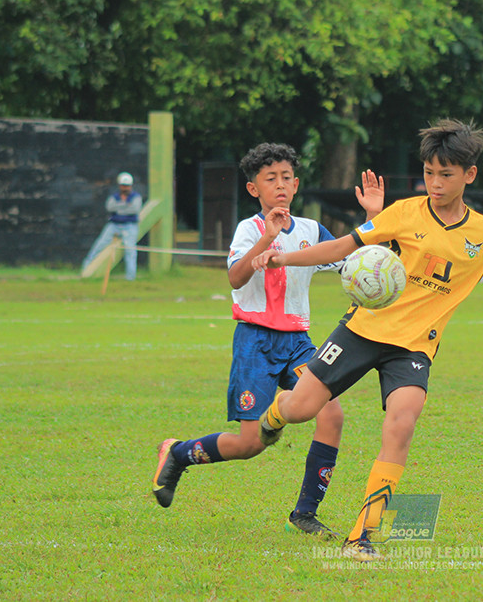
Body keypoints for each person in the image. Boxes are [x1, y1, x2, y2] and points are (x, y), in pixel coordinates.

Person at [251, 119, 483, 562]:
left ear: (469, 175)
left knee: (402, 422)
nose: (435, 183)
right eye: (429, 173)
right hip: (362, 330)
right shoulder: (404, 212)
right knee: (301, 409)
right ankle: (275, 414)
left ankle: (362, 535)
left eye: (446, 174)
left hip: (414, 347)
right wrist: (282, 258)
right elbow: (343, 246)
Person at [150, 143, 384, 539]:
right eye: (270, 178)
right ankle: (179, 453)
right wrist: (265, 242)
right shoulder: (249, 229)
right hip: (255, 342)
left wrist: (373, 218)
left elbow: (354, 260)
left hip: (298, 343)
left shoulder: (311, 231)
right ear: (253, 188)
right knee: (250, 444)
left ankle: (304, 514)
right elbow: (235, 277)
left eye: (287, 177)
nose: (280, 185)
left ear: (296, 185)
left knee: (331, 413)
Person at [81, 172, 143, 280]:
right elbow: (110, 208)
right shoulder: (114, 197)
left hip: (130, 226)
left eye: (127, 186)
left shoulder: (136, 197)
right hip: (114, 225)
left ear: (131, 186)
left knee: (130, 251)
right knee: (99, 245)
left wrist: (119, 209)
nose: (125, 188)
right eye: (123, 185)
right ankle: (85, 271)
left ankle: (130, 277)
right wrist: (126, 206)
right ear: (120, 186)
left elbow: (134, 209)